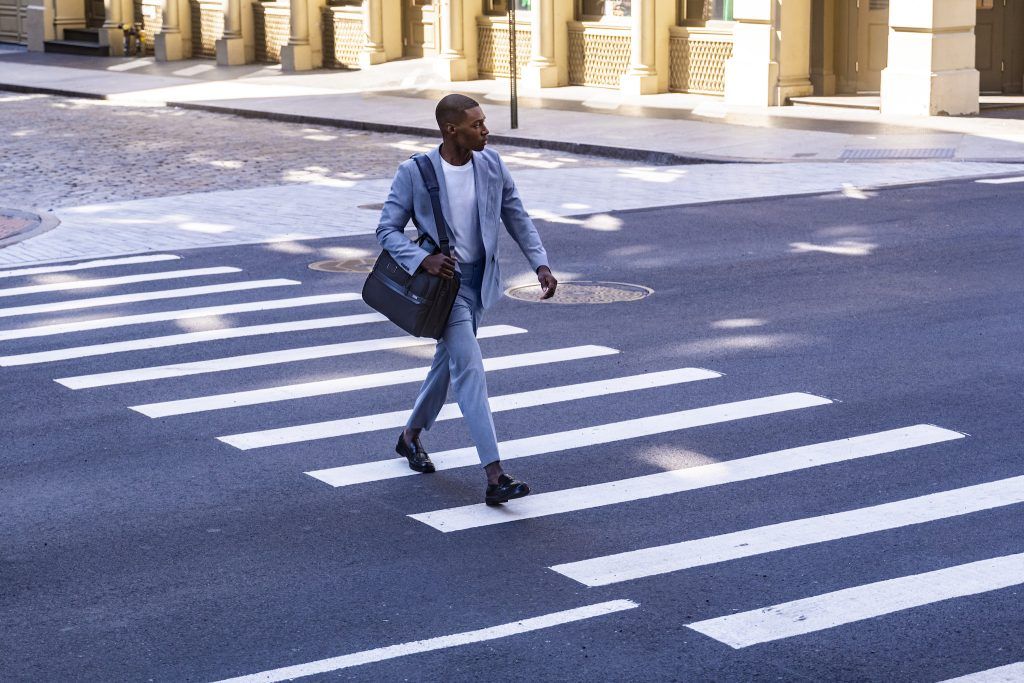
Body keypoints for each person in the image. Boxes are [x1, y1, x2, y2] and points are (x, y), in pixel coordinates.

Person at [376, 94, 558, 505]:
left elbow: (516, 215)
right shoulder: (415, 172)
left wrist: (540, 264)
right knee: (469, 369)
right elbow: (387, 230)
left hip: (480, 284)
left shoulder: (491, 164)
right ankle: (495, 475)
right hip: (446, 286)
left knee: (448, 363)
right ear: (450, 129)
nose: (485, 130)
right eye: (477, 125)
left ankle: (410, 437)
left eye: (484, 122)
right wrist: (423, 258)